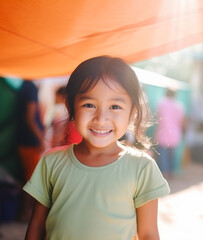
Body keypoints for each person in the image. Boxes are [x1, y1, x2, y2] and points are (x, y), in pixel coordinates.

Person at [23, 56, 170, 240]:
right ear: (71, 107)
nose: (101, 118)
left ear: (132, 112)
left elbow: (148, 234)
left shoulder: (142, 168)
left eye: (115, 106)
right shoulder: (51, 162)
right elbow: (37, 224)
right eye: (89, 105)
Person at [16, 79, 45, 221]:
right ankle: (25, 214)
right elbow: (30, 118)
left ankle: (24, 213)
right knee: (32, 180)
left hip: (24, 140)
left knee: (29, 178)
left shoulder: (24, 86)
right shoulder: (31, 87)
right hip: (30, 142)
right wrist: (41, 139)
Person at [155, 88, 186, 177]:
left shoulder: (161, 103)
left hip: (163, 133)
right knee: (171, 155)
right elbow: (182, 121)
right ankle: (171, 172)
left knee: (163, 155)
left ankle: (164, 173)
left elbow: (158, 119)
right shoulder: (179, 106)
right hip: (175, 134)